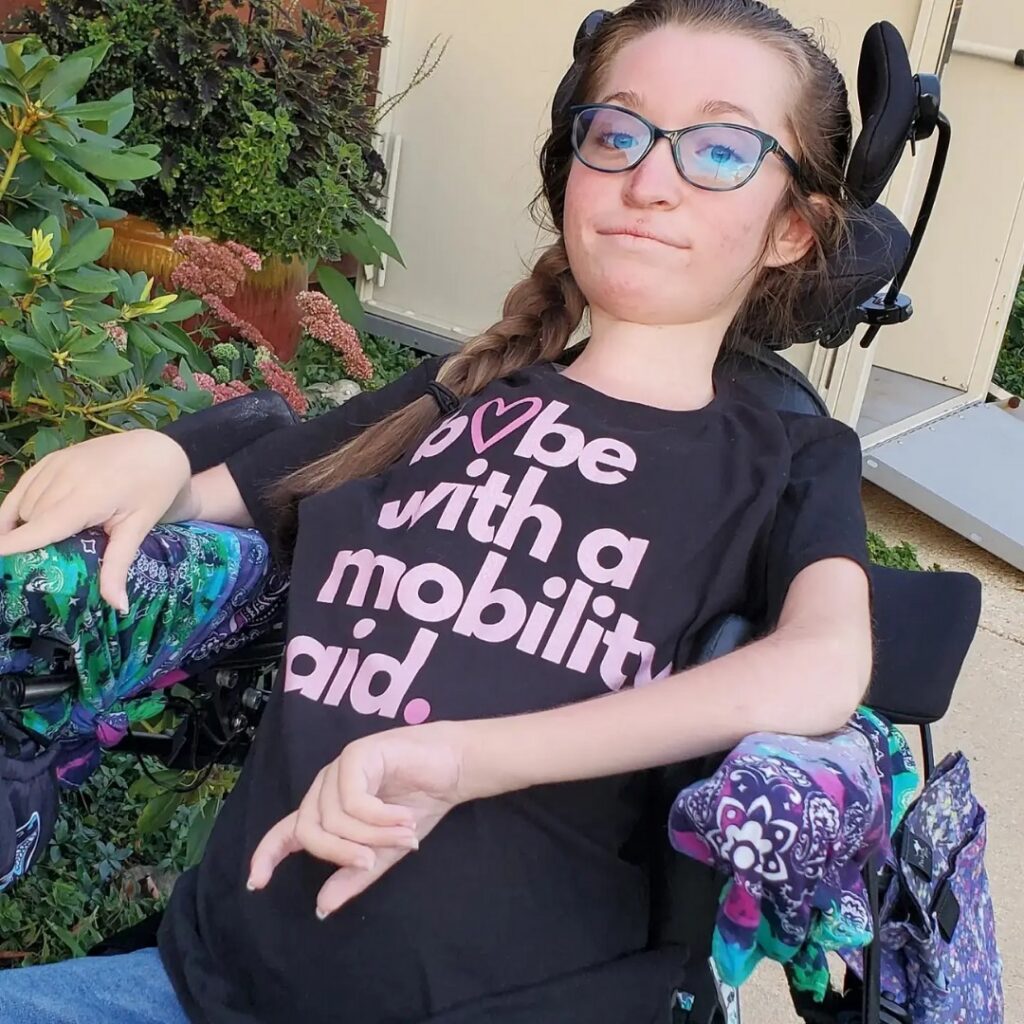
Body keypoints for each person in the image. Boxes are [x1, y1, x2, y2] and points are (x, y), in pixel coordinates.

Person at [0, 2, 875, 1021]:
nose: (648, 180)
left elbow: (822, 665)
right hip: (203, 983)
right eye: (616, 133)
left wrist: (465, 760)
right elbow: (229, 491)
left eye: (719, 149)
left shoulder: (787, 459)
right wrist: (156, 454)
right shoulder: (454, 394)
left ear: (791, 228)